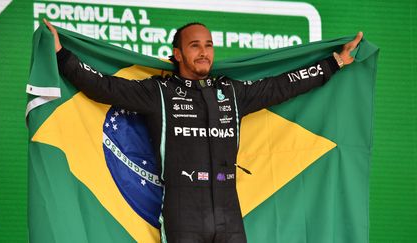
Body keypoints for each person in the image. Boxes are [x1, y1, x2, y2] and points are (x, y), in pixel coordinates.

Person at [43, 19, 363, 243]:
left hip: (228, 208)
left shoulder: (231, 92)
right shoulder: (160, 92)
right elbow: (104, 87)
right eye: (194, 45)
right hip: (183, 211)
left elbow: (281, 86)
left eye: (208, 45)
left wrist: (333, 62)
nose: (204, 51)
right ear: (178, 54)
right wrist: (61, 55)